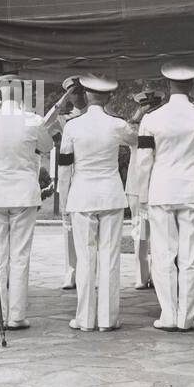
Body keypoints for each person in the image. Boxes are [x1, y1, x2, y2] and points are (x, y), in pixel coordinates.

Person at [137, 61, 194, 331]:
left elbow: (144, 161)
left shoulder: (151, 119)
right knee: (190, 256)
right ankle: (187, 317)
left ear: (167, 84)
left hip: (162, 190)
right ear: (191, 85)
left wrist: (143, 197)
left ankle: (169, 314)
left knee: (164, 255)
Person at [0, 74, 57, 330]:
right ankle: (17, 315)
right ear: (20, 94)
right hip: (23, 193)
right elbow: (47, 146)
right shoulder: (32, 121)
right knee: (20, 256)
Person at [59, 73, 139, 332]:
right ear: (108, 96)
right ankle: (107, 319)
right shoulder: (116, 124)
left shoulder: (72, 126)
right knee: (110, 257)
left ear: (86, 94)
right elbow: (137, 141)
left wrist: (64, 200)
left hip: (82, 196)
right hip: (111, 194)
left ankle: (84, 318)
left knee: (85, 258)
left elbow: (64, 167)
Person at [125, 88, 163, 289]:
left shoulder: (162, 125)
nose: (150, 110)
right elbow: (124, 133)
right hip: (136, 186)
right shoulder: (134, 129)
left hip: (157, 185)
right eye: (146, 107)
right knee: (138, 233)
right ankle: (141, 276)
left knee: (158, 234)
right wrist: (137, 115)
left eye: (153, 106)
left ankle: (157, 276)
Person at [55, 76, 85, 289]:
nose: (79, 96)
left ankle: (87, 270)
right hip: (68, 179)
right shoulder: (64, 117)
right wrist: (62, 99)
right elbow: (44, 125)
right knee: (69, 229)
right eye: (74, 92)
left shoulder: (98, 115)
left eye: (82, 91)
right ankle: (71, 272)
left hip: (86, 179)